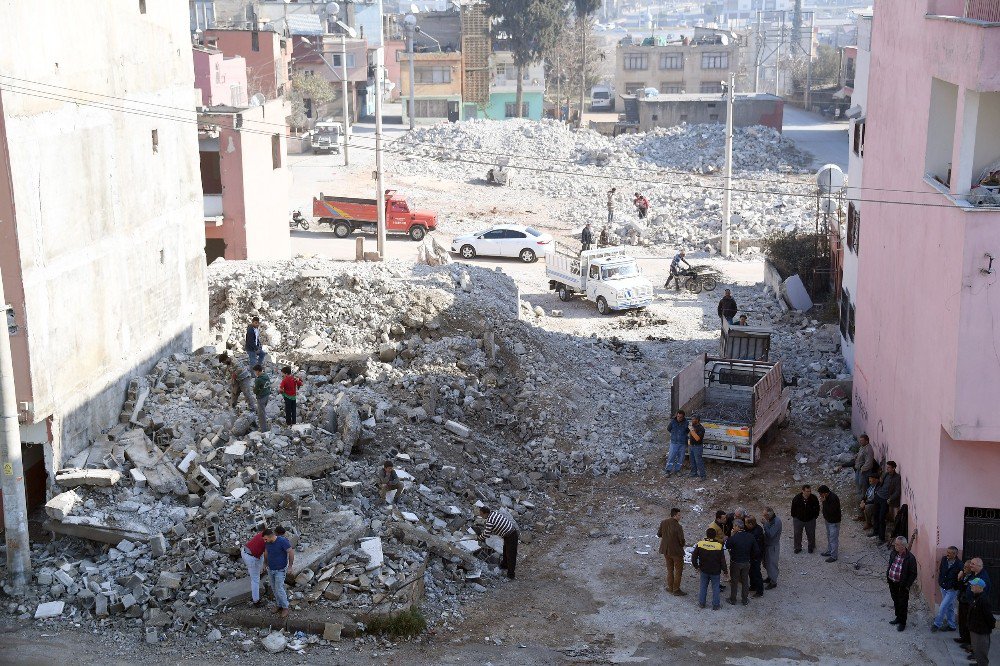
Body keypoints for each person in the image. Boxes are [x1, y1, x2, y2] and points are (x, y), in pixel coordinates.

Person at [958, 558, 993, 652]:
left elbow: (982, 595)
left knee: (976, 630)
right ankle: (970, 644)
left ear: (979, 566)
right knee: (967, 624)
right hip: (969, 603)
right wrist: (962, 571)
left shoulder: (984, 578)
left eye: (973, 564)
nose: (970, 565)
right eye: (971, 564)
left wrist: (974, 604)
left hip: (976, 606)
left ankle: (976, 652)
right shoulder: (975, 573)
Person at [886, 536, 917, 631]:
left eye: (897, 544)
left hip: (902, 586)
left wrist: (907, 586)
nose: (895, 545)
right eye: (895, 543)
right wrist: (888, 575)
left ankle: (903, 623)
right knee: (895, 600)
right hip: (892, 582)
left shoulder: (910, 558)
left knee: (903, 603)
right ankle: (898, 618)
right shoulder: (893, 553)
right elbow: (890, 564)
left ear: (903, 546)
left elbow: (913, 574)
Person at [724, 519, 759, 606]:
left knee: (734, 582)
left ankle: (733, 599)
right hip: (746, 562)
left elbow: (727, 545)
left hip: (735, 562)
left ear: (737, 527)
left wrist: (731, 536)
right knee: (745, 581)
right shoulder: (750, 536)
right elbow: (756, 550)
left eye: (734, 526)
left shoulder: (734, 537)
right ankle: (744, 600)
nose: (733, 528)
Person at [480, 506, 519, 579]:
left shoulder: (490, 520)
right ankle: (504, 565)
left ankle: (511, 575)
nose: (481, 516)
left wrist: (478, 538)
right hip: (509, 534)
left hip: (511, 535)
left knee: (511, 555)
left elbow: (486, 534)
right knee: (505, 550)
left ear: (485, 513)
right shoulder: (493, 514)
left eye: (481, 514)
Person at [692, 527, 725, 610]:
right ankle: (716, 605)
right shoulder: (719, 546)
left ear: (706, 535)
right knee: (716, 588)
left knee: (703, 586)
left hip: (704, 570)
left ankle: (702, 604)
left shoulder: (700, 544)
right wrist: (725, 571)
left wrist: (696, 566)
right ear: (715, 536)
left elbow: (693, 557)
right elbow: (722, 560)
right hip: (715, 571)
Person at [264, 526, 293, 618]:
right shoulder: (268, 542)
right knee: (274, 588)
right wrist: (265, 564)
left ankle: (285, 607)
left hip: (280, 570)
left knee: (279, 588)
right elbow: (266, 552)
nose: (264, 541)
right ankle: (279, 604)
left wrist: (290, 566)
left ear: (270, 536)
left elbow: (291, 552)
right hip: (271, 569)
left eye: (265, 539)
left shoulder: (282, 541)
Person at [932, 546, 962, 632]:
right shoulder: (944, 559)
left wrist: (954, 587)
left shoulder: (960, 564)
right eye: (947, 552)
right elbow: (941, 570)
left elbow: (961, 579)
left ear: (955, 554)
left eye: (949, 553)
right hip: (943, 587)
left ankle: (937, 624)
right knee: (950, 606)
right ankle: (952, 625)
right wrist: (941, 581)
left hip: (952, 590)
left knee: (943, 606)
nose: (947, 554)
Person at [657, 508, 686, 596]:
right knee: (678, 571)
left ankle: (670, 587)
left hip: (666, 550)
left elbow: (659, 534)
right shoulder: (678, 527)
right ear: (674, 515)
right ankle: (676, 589)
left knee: (670, 570)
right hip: (676, 552)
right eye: (679, 515)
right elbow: (681, 541)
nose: (680, 517)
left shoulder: (663, 522)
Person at [871, 461, 901, 544]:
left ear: (894, 468)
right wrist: (877, 491)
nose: (887, 468)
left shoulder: (897, 477)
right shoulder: (886, 474)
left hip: (885, 500)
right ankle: (875, 532)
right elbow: (881, 483)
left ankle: (882, 538)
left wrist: (890, 499)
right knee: (875, 515)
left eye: (889, 467)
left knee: (881, 518)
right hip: (878, 496)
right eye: (887, 467)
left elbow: (897, 491)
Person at [968, 577, 995, 666]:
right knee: (977, 650)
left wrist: (990, 626)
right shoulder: (976, 597)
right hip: (975, 629)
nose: (971, 586)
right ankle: (979, 663)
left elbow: (989, 617)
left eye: (973, 585)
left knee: (981, 651)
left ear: (980, 588)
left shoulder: (983, 600)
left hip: (981, 631)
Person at [242, 528, 272, 608]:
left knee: (261, 559)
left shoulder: (264, 533)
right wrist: (266, 563)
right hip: (251, 558)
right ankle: (256, 601)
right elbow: (267, 554)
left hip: (245, 550)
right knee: (255, 580)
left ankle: (261, 572)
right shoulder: (268, 540)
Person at [790, 484, 820, 554]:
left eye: (809, 491)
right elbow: (793, 509)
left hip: (810, 520)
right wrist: (795, 517)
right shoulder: (797, 498)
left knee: (811, 534)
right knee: (797, 534)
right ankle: (798, 547)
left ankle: (811, 547)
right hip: (798, 519)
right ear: (802, 491)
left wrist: (815, 517)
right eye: (807, 491)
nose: (808, 493)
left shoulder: (814, 498)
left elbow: (817, 508)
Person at [817, 485, 842, 562]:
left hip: (833, 522)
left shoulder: (833, 498)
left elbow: (832, 511)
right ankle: (830, 551)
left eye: (821, 494)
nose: (820, 495)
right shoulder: (827, 497)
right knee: (829, 537)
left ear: (825, 493)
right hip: (828, 520)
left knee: (833, 539)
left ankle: (834, 556)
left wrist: (824, 502)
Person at [745, 515, 766, 597]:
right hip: (753, 555)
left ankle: (760, 591)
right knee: (751, 571)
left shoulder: (756, 533)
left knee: (756, 572)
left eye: (746, 523)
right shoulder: (756, 529)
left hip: (756, 556)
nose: (745, 525)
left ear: (750, 524)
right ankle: (753, 586)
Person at [762, 507, 782, 589]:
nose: (763, 517)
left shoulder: (777, 522)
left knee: (772, 564)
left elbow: (770, 534)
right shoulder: (770, 520)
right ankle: (770, 577)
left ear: (769, 515)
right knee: (766, 563)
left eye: (765, 515)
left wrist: (765, 524)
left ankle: (773, 582)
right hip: (767, 545)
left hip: (772, 546)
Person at [665, 410, 689, 477]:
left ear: (683, 417)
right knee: (671, 457)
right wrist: (674, 435)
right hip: (674, 443)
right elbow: (668, 429)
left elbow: (687, 431)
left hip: (682, 443)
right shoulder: (673, 422)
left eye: (680, 417)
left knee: (681, 458)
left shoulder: (686, 423)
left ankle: (677, 470)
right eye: (678, 416)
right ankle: (668, 471)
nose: (679, 418)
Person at [853, 434, 875, 499]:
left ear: (867, 441)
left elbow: (869, 462)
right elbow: (860, 454)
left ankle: (863, 498)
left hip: (865, 471)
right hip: (859, 469)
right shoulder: (862, 447)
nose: (860, 442)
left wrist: (863, 469)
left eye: (862, 440)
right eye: (860, 440)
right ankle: (859, 495)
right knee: (857, 481)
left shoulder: (868, 449)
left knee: (863, 484)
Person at [252, 364, 270, 431]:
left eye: (255, 371)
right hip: (266, 395)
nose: (254, 373)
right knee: (263, 411)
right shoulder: (266, 375)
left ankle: (263, 429)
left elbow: (255, 390)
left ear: (257, 371)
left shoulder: (258, 379)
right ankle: (266, 424)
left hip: (261, 397)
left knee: (261, 414)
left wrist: (254, 390)